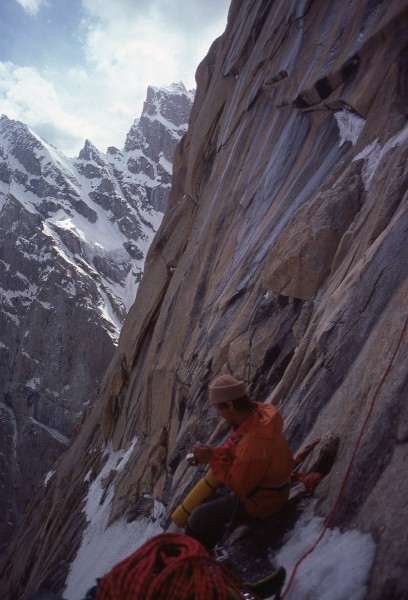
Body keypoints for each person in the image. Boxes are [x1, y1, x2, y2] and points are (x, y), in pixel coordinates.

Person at [186, 375, 294, 550]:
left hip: (263, 502)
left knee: (198, 518)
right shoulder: (259, 412)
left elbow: (238, 485)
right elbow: (236, 447)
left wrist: (212, 459)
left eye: (218, 408)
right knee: (211, 498)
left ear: (229, 405)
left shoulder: (253, 443)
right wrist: (212, 453)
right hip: (268, 486)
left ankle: (200, 562)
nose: (218, 414)